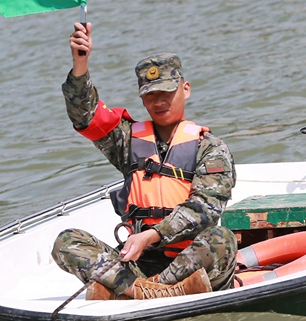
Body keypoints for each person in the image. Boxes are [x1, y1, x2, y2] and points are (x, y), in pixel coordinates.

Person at [51, 23, 238, 300]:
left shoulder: (210, 148)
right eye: (150, 94)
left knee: (222, 240)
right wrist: (81, 65)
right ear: (142, 99)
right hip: (138, 264)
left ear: (185, 89)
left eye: (166, 92)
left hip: (188, 261)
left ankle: (135, 290)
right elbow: (85, 117)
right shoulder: (127, 142)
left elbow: (204, 209)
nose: (159, 101)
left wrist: (151, 235)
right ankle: (149, 291)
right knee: (67, 241)